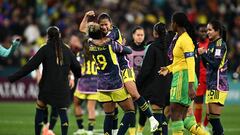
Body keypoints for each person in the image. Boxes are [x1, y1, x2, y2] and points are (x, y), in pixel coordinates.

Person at [79, 11, 159, 135]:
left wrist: (89, 25)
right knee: (115, 109)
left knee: (133, 93)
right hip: (112, 72)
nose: (104, 27)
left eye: (106, 24)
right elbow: (86, 30)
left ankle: (152, 119)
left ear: (111, 24)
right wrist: (86, 17)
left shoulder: (113, 33)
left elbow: (87, 31)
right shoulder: (102, 37)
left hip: (123, 67)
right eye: (101, 25)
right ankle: (117, 131)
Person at [8, 26, 82, 135]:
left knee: (40, 108)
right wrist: (77, 75)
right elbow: (77, 66)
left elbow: (29, 66)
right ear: (59, 35)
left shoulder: (45, 49)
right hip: (62, 88)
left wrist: (12, 78)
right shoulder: (67, 49)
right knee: (63, 113)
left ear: (48, 36)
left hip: (46, 87)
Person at [159, 12, 208, 135]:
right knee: (186, 118)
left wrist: (191, 85)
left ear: (175, 24)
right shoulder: (181, 38)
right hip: (182, 76)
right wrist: (169, 68)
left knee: (175, 114)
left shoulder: (185, 39)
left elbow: (190, 63)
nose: (171, 25)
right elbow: (181, 61)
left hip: (183, 78)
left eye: (172, 22)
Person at [87, 22, 135, 135]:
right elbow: (129, 51)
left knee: (109, 115)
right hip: (115, 83)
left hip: (101, 85)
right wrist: (122, 45)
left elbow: (89, 33)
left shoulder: (90, 43)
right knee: (130, 111)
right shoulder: (111, 44)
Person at [136, 22, 172, 135]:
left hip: (156, 86)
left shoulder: (152, 47)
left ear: (155, 33)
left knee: (156, 118)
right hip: (170, 84)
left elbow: (145, 70)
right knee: (164, 117)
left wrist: (137, 84)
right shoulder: (171, 47)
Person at [198, 19, 228, 135]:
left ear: (217, 31)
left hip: (218, 83)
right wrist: (202, 55)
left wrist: (203, 53)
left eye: (210, 30)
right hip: (211, 83)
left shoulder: (220, 44)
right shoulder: (211, 44)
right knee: (211, 118)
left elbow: (215, 64)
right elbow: (207, 64)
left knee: (214, 119)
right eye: (207, 30)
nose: (207, 32)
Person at [72, 35, 98, 135]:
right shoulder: (97, 54)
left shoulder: (80, 54)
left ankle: (81, 128)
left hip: (83, 84)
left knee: (76, 103)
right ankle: (90, 131)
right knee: (91, 108)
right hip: (94, 84)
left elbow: (76, 68)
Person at [194, 24, 209, 127]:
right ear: (198, 32)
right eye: (201, 31)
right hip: (199, 78)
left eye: (205, 31)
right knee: (198, 105)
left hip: (210, 79)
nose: (203, 33)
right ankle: (198, 127)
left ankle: (204, 125)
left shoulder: (212, 44)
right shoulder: (195, 45)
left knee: (210, 107)